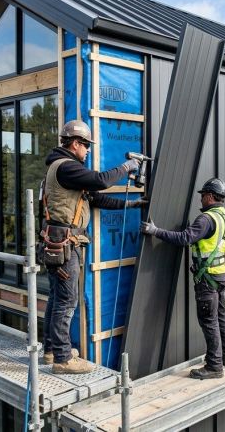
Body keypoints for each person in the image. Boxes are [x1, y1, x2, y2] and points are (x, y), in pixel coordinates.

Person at [42, 119, 146, 373]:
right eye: (86, 146)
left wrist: (129, 205)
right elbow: (101, 180)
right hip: (65, 243)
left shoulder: (66, 171)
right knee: (67, 300)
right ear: (75, 144)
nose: (87, 150)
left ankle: (51, 350)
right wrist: (128, 166)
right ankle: (63, 359)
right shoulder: (66, 167)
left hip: (58, 241)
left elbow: (96, 198)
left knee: (57, 298)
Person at [140, 178, 225, 379]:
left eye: (202, 195)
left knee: (209, 320)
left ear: (209, 196)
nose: (200, 199)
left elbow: (184, 238)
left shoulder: (207, 219)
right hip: (221, 276)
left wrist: (155, 231)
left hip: (207, 278)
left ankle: (214, 366)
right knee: (220, 316)